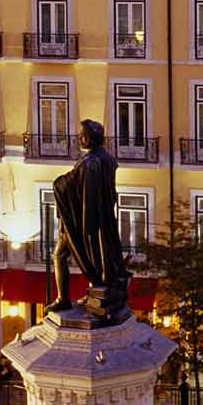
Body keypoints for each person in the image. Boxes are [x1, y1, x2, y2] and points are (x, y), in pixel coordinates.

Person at [50, 119, 130, 321]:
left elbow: (67, 184)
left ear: (91, 138)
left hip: (79, 221)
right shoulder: (107, 159)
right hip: (103, 220)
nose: (79, 138)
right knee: (97, 256)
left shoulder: (89, 163)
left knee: (59, 255)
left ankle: (63, 299)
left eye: (82, 135)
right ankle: (83, 291)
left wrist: (58, 183)